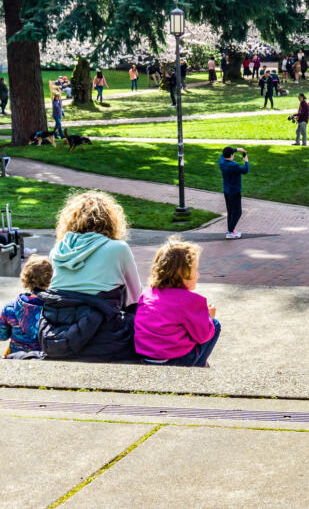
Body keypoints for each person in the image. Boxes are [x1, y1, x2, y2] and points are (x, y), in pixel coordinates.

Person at [38, 192, 141, 361]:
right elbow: (135, 297)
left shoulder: (58, 251)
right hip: (105, 339)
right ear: (111, 220)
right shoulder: (118, 249)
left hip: (58, 338)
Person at [134, 238, 220, 368]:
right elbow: (204, 336)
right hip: (175, 361)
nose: (198, 275)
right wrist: (209, 316)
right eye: (195, 270)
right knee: (215, 325)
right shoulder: (190, 301)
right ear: (183, 274)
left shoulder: (147, 294)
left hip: (145, 356)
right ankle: (199, 366)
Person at [1, 255, 51, 357]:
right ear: (50, 279)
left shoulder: (10, 308)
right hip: (43, 356)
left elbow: (2, 335)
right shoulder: (54, 308)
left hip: (16, 355)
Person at [219, 146, 249, 239]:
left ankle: (230, 230)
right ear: (232, 155)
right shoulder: (233, 166)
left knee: (230, 211)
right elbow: (245, 170)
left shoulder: (222, 162)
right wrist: (246, 161)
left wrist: (236, 150)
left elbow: (222, 154)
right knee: (238, 212)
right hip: (235, 191)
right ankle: (230, 232)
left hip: (226, 190)